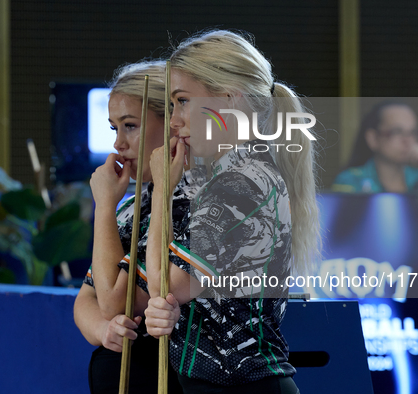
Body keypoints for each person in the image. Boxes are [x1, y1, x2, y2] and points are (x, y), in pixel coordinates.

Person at [144, 30, 320, 393]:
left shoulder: (238, 184)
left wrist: (162, 187)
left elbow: (164, 286)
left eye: (182, 101)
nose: (174, 121)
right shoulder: (239, 175)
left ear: (228, 98)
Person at [73, 60, 184, 394]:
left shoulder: (185, 201)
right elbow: (86, 298)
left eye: (130, 126)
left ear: (172, 125)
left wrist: (104, 206)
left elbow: (115, 301)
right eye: (114, 129)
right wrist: (103, 331)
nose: (118, 143)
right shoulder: (135, 204)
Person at [331, 100, 418, 193]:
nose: (408, 141)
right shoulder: (351, 181)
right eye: (397, 132)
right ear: (373, 138)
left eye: (413, 133)